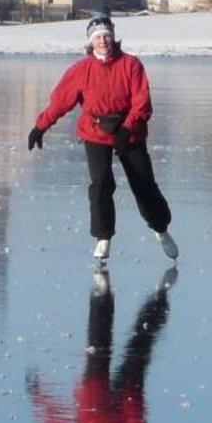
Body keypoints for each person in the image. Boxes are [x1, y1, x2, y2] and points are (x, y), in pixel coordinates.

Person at [27, 14, 177, 265]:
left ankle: (160, 229)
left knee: (143, 184)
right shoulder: (81, 70)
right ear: (90, 42)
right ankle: (103, 237)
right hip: (95, 131)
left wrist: (127, 130)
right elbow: (61, 101)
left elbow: (142, 103)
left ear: (113, 37)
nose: (103, 41)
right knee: (101, 185)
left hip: (130, 130)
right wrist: (40, 126)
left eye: (107, 35)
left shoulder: (131, 65)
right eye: (98, 37)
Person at [27, 268, 174, 423]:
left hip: (94, 393)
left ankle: (101, 294)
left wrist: (39, 396)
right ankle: (158, 304)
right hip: (121, 395)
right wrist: (130, 398)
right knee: (139, 345)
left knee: (99, 342)